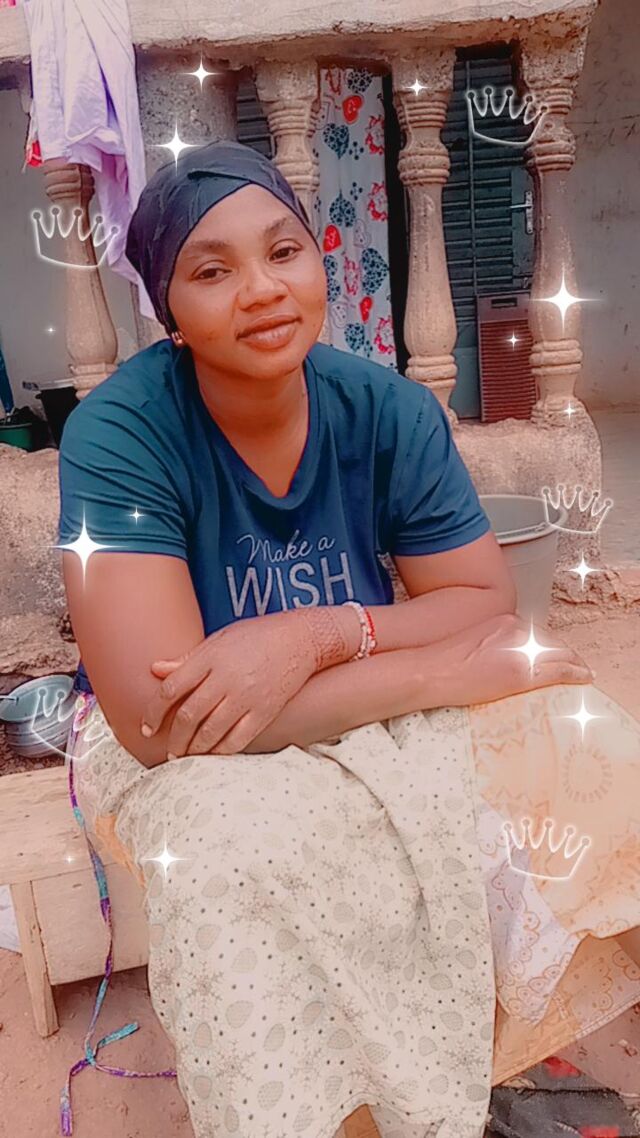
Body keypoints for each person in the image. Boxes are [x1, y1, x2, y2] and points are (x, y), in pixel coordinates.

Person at [58, 140, 640, 1138]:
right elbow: (162, 723)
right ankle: (333, 1113)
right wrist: (438, 672)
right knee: (229, 853)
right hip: (189, 756)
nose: (261, 290)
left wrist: (315, 633)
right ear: (168, 309)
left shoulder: (388, 409)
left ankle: (477, 1053)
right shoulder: (120, 435)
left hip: (357, 682)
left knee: (586, 735)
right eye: (212, 270)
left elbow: (480, 599)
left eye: (283, 251)